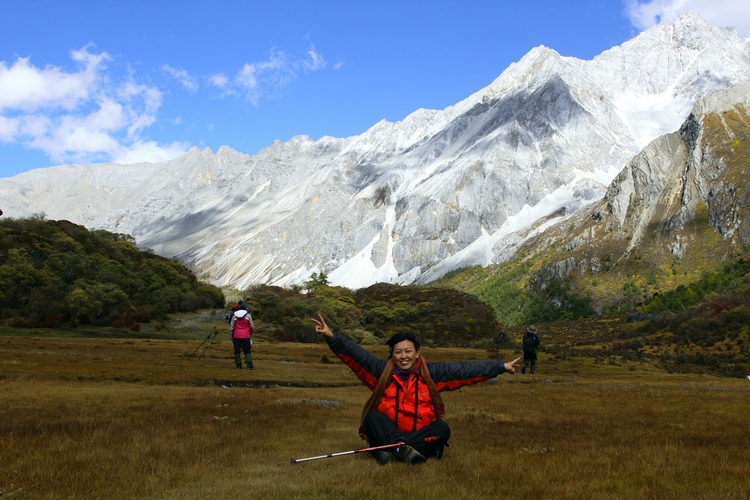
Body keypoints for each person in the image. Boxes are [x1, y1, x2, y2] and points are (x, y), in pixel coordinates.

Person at [311, 314, 519, 465]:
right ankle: (405, 450)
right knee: (373, 417)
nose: (403, 356)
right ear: (392, 355)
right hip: (394, 433)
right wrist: (331, 336)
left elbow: (465, 370)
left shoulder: (433, 374)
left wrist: (500, 366)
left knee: (442, 429)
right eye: (398, 352)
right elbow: (357, 356)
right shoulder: (381, 372)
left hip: (418, 433)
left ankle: (392, 451)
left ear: (417, 353)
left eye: (408, 351)